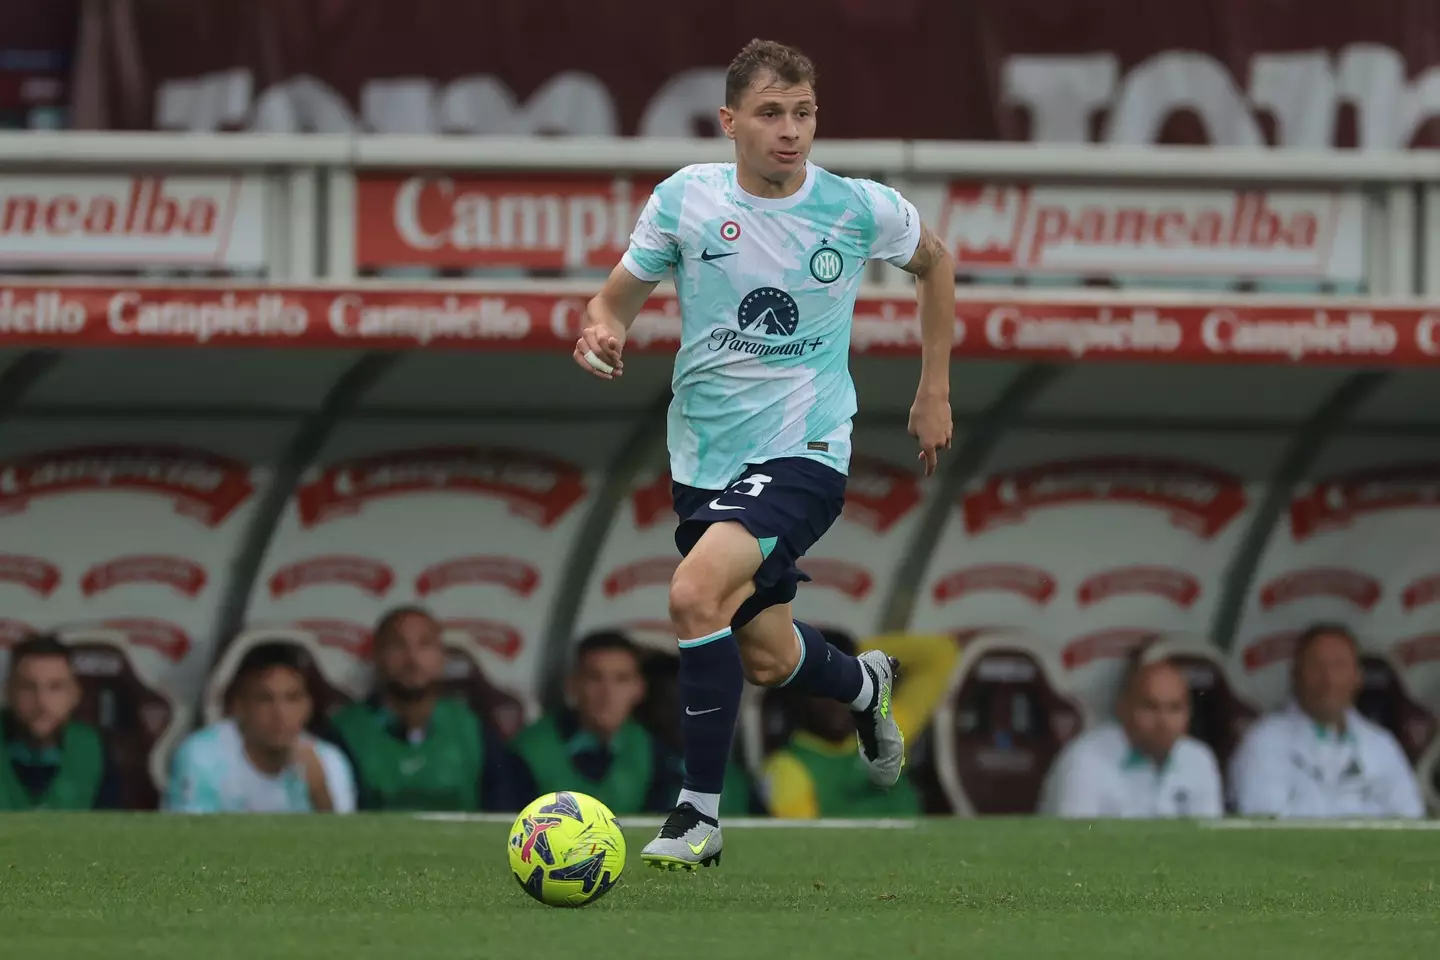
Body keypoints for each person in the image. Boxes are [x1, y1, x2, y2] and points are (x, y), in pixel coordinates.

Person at [574, 38, 955, 870]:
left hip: (806, 448)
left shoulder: (856, 207)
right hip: (704, 460)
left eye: (805, 112)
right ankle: (866, 686)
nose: (792, 131)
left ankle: (698, 817)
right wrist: (603, 329)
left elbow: (935, 264)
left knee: (691, 594)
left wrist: (934, 391)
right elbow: (616, 299)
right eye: (773, 113)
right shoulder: (686, 201)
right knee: (768, 653)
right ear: (730, 122)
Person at [327, 605, 523, 812]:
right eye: (398, 645)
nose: (412, 658)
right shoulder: (345, 733)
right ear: (376, 655)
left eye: (425, 645)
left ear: (443, 656)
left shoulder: (471, 728)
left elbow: (503, 813)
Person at [1229, 623, 1423, 819]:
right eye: (1317, 666)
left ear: (1357, 677)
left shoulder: (1382, 745)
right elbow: (1262, 824)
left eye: (1339, 666)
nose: (1329, 680)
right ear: (1296, 674)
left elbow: (1410, 819)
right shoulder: (1264, 741)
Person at [762, 630, 957, 818]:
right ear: (798, 697)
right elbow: (803, 845)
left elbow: (940, 653)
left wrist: (851, 654)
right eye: (823, 691)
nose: (838, 701)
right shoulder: (789, 768)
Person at [165, 642, 355, 813]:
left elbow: (347, 846)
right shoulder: (201, 756)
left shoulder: (329, 762)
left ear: (308, 706)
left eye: (292, 698)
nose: (280, 713)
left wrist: (320, 793)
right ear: (239, 706)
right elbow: (185, 839)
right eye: (265, 699)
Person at [512, 631, 683, 814]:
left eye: (621, 679)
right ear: (572, 685)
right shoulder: (528, 751)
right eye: (594, 678)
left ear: (639, 689)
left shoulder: (656, 752)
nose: (607, 694)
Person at [1040, 653, 1223, 818]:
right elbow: (1073, 845)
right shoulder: (1084, 760)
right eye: (1150, 707)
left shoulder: (1199, 759)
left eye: (1175, 708)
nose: (1163, 722)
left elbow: (1209, 842)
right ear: (1123, 708)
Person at [0, 633, 119, 810]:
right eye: (28, 687)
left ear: (75, 694)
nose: (42, 702)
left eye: (55, 687)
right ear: (8, 691)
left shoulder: (95, 748)